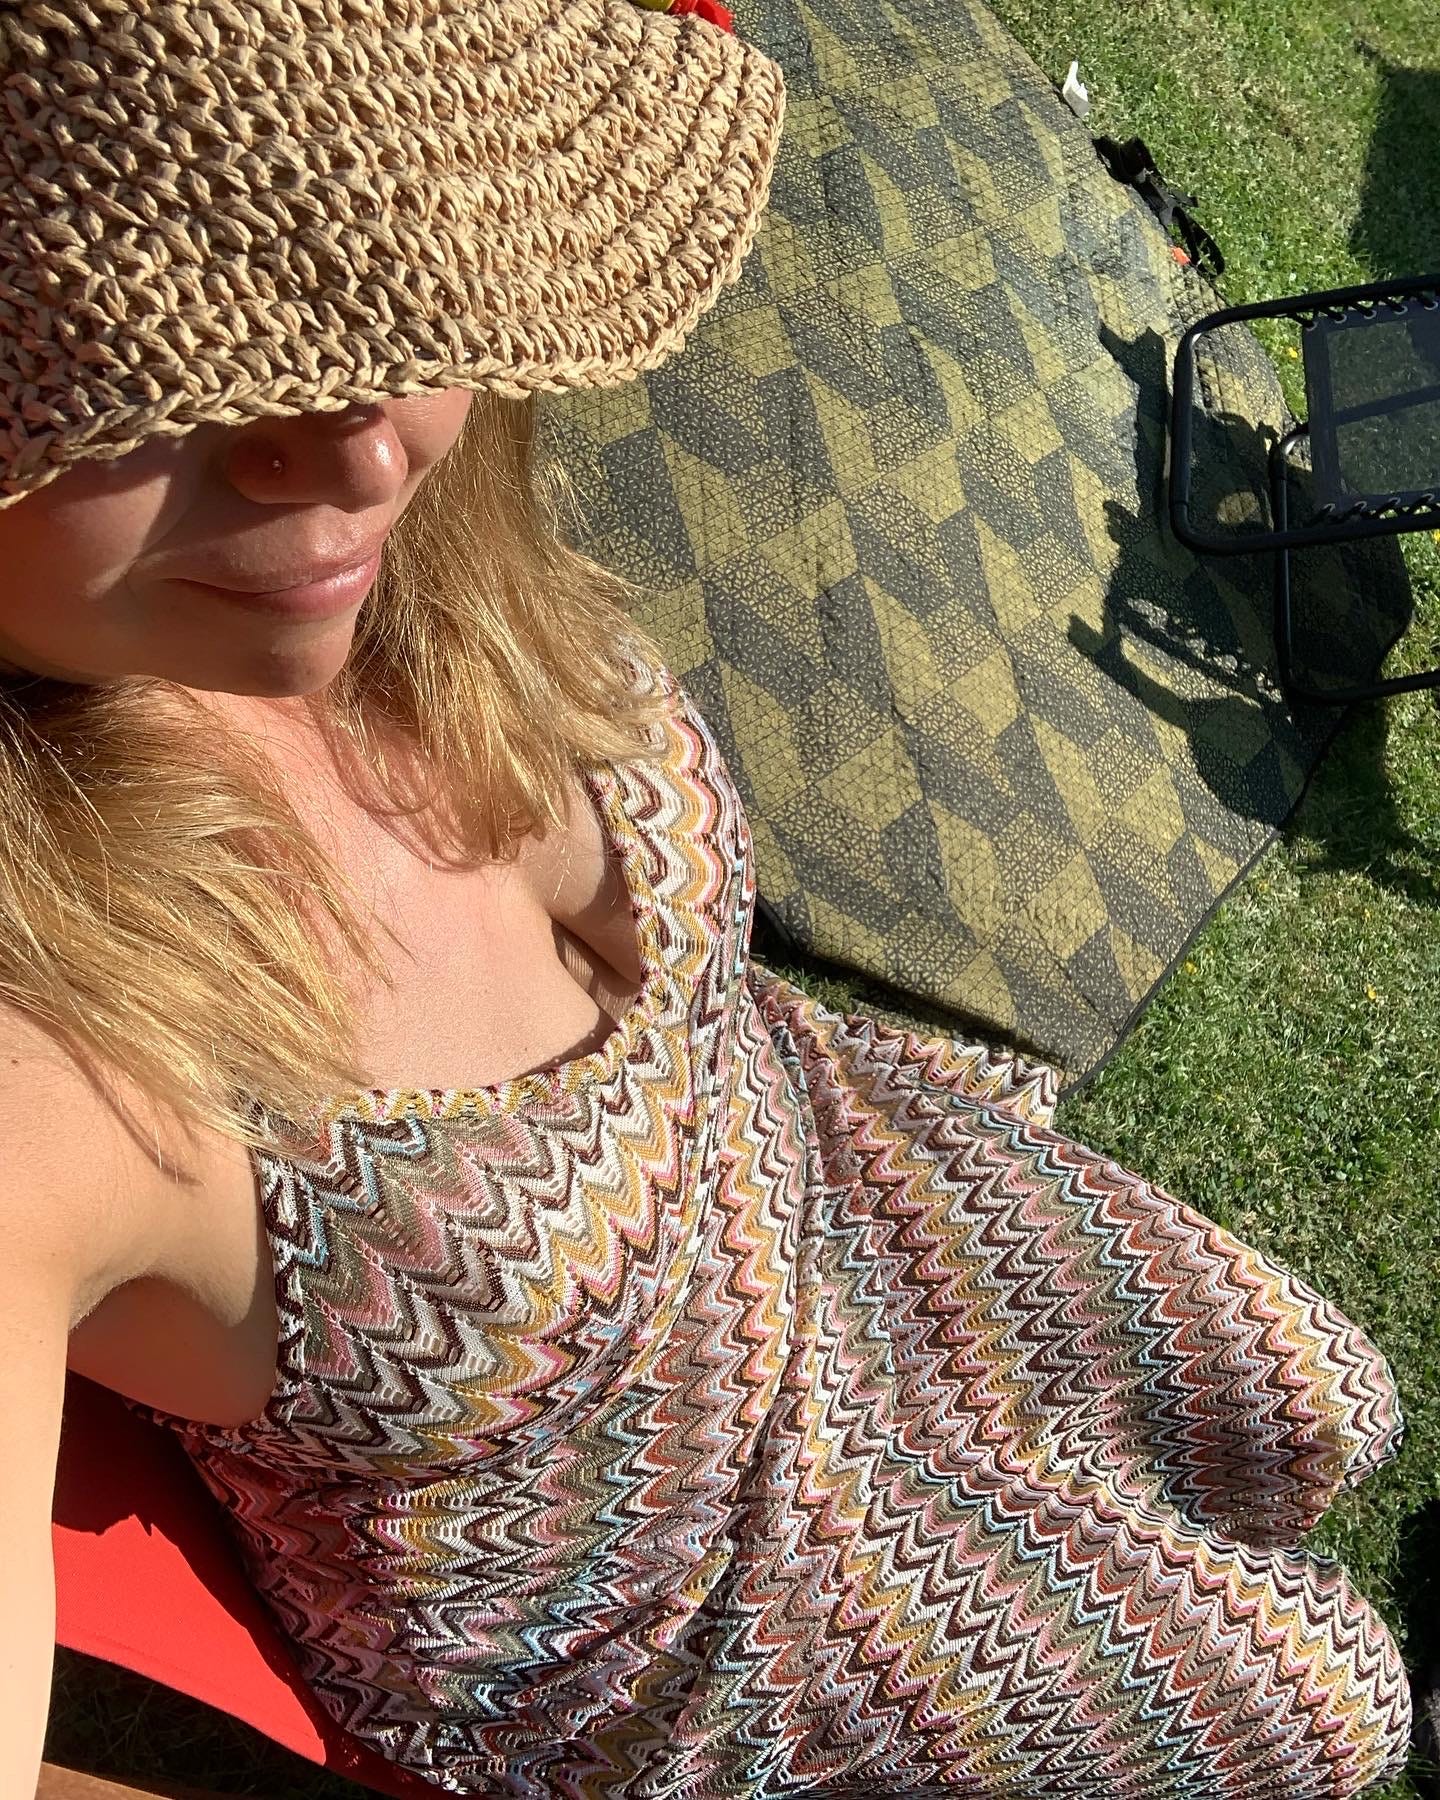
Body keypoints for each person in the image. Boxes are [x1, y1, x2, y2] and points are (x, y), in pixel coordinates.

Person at [0, 1, 1413, 1796]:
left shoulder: (404, 551)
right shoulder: (44, 1069)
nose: (360, 452)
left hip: (831, 1176)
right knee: (1334, 1703)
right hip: (693, 1619)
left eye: (375, 286)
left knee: (1322, 1396)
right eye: (140, 369)